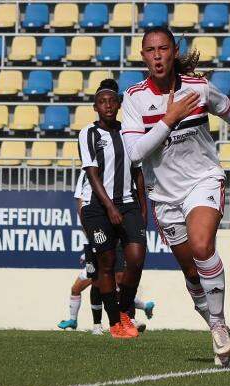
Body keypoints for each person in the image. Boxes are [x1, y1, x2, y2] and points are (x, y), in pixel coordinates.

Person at [120, 26, 230, 366]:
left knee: (202, 246)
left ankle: (220, 323)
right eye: (150, 50)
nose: (157, 56)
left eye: (163, 48)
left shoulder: (197, 89)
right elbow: (135, 153)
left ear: (173, 51)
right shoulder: (134, 98)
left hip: (203, 181)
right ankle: (213, 322)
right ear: (143, 57)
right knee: (192, 274)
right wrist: (169, 120)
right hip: (165, 196)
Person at [79, 79, 148, 339]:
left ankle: (123, 312)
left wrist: (143, 208)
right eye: (102, 102)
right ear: (95, 107)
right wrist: (109, 206)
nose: (107, 105)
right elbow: (92, 173)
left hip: (128, 204)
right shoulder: (89, 133)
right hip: (98, 208)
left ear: (119, 104)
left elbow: (138, 172)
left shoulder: (129, 131)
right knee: (106, 264)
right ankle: (115, 323)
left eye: (112, 101)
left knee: (137, 259)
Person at [58, 171, 155, 334]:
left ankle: (127, 319)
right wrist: (90, 236)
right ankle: (99, 325)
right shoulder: (86, 175)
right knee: (94, 280)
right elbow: (80, 205)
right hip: (95, 234)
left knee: (117, 278)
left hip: (116, 231)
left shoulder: (119, 172)